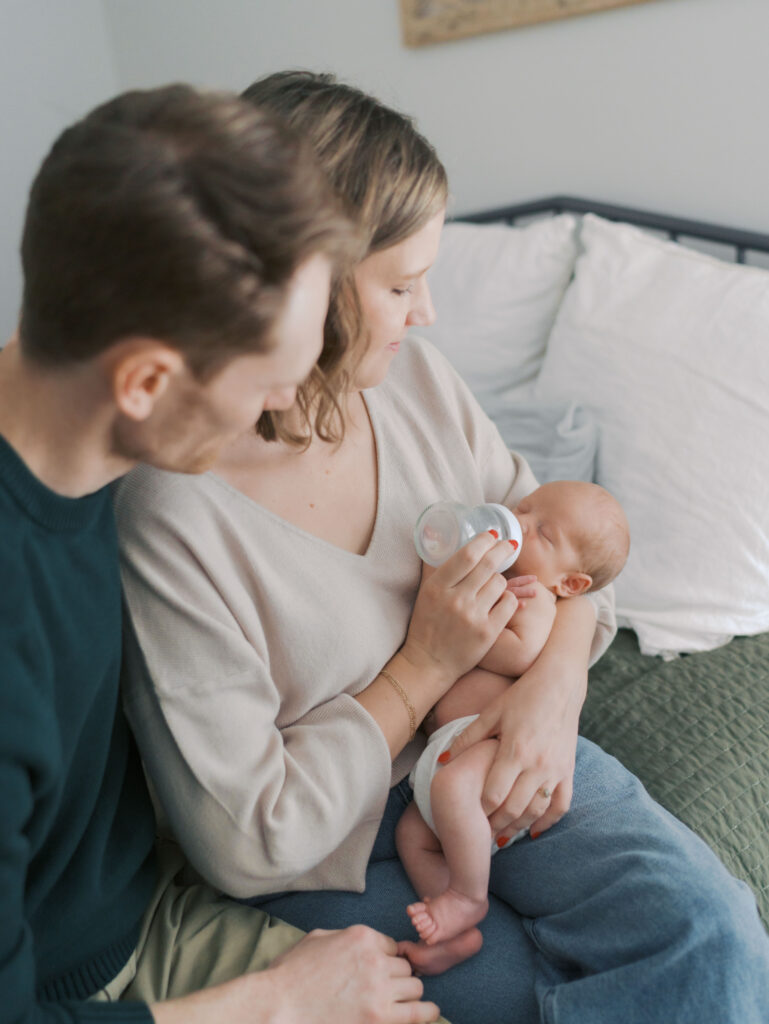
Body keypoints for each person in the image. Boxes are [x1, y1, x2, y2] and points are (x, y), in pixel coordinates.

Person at [115, 72, 769, 1024]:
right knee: (525, 993)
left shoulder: (408, 380)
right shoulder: (166, 512)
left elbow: (563, 562)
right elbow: (247, 838)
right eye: (399, 285)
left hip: (501, 738)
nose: (426, 315)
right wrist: (423, 662)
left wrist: (554, 694)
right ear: (307, 286)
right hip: (346, 832)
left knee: (711, 936)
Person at [0, 82, 446, 1024]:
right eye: (268, 386)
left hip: (136, 908)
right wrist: (279, 1002)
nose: (283, 414)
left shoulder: (57, 398)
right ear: (147, 381)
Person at [400, 481, 630, 970]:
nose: (519, 523)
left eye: (542, 532)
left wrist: (445, 616)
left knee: (453, 787)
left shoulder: (535, 598)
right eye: (523, 509)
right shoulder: (497, 573)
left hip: (489, 743)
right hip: (447, 744)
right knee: (411, 836)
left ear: (569, 584)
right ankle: (453, 931)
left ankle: (468, 894)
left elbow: (521, 651)